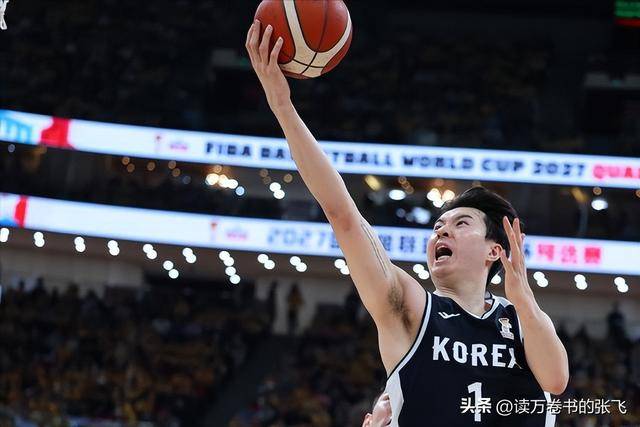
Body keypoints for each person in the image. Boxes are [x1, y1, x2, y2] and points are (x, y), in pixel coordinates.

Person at [245, 21, 568, 426]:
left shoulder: (524, 320)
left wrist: (524, 300)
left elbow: (556, 380)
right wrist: (282, 105)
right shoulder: (411, 307)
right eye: (438, 226)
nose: (441, 231)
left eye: (461, 223)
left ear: (495, 250)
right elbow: (343, 214)